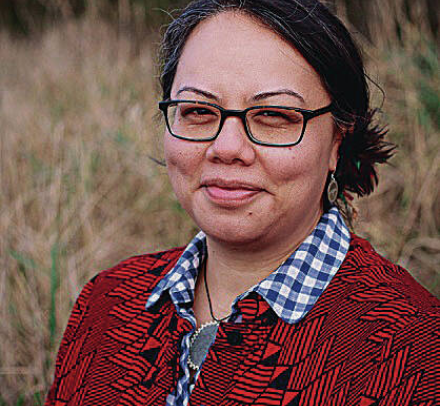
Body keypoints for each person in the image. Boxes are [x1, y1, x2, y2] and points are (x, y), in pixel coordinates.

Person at [45, 0, 439, 405]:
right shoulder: (106, 303)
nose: (227, 147)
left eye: (273, 115)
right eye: (198, 110)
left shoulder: (416, 353)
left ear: (338, 141)